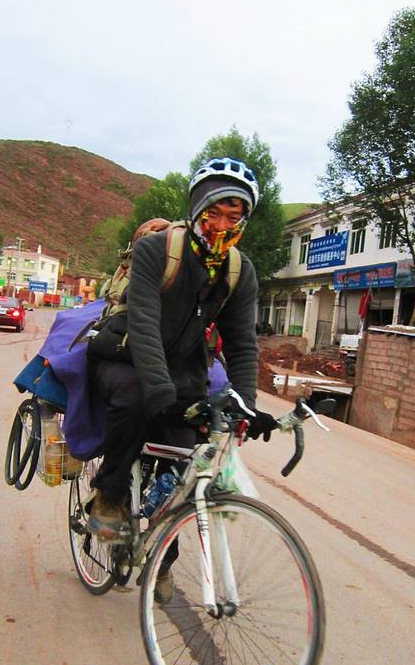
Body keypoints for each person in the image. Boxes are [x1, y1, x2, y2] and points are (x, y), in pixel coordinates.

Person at [86, 157, 277, 601]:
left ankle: (162, 556)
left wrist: (246, 404)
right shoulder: (156, 251)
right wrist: (160, 393)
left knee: (184, 462)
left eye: (234, 216)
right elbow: (145, 326)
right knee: (136, 401)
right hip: (125, 355)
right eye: (214, 212)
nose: (222, 225)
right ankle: (109, 495)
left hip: (184, 369)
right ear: (196, 208)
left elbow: (242, 344)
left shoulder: (239, 271)